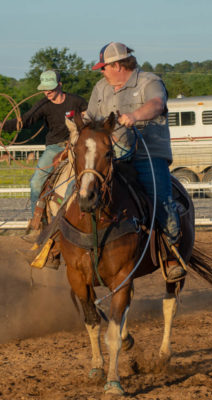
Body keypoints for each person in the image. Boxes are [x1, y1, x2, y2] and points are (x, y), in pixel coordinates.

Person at [85, 42, 186, 282]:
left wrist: (134, 116)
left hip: (147, 154)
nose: (101, 72)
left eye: (103, 68)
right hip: (111, 156)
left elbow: (156, 104)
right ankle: (57, 242)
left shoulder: (149, 82)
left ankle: (171, 254)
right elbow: (90, 117)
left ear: (117, 65)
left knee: (161, 201)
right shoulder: (101, 88)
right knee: (77, 190)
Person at [0, 70, 87, 239]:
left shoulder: (77, 102)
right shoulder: (43, 105)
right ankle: (37, 220)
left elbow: (90, 118)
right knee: (36, 182)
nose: (47, 92)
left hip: (77, 147)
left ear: (60, 85)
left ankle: (70, 221)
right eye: (45, 89)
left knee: (78, 182)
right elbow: (24, 121)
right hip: (54, 148)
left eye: (50, 88)